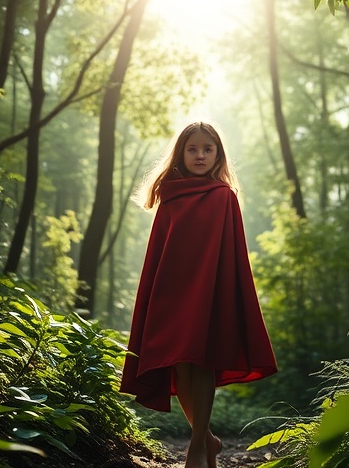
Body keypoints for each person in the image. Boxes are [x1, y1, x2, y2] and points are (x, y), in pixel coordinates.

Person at [119, 121, 277, 468]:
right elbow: (159, 251)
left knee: (200, 361)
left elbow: (231, 253)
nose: (201, 155)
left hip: (209, 290)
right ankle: (207, 440)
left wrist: (224, 296)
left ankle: (197, 448)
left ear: (218, 154)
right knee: (179, 363)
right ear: (181, 153)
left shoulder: (224, 197)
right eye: (193, 149)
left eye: (208, 149)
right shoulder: (169, 197)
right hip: (172, 292)